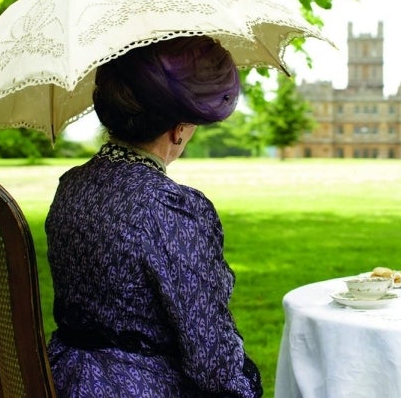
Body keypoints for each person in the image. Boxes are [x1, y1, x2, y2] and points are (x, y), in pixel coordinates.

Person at [45, 36, 263, 397]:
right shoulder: (170, 207)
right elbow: (212, 358)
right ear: (179, 128)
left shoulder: (72, 186)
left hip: (63, 379)